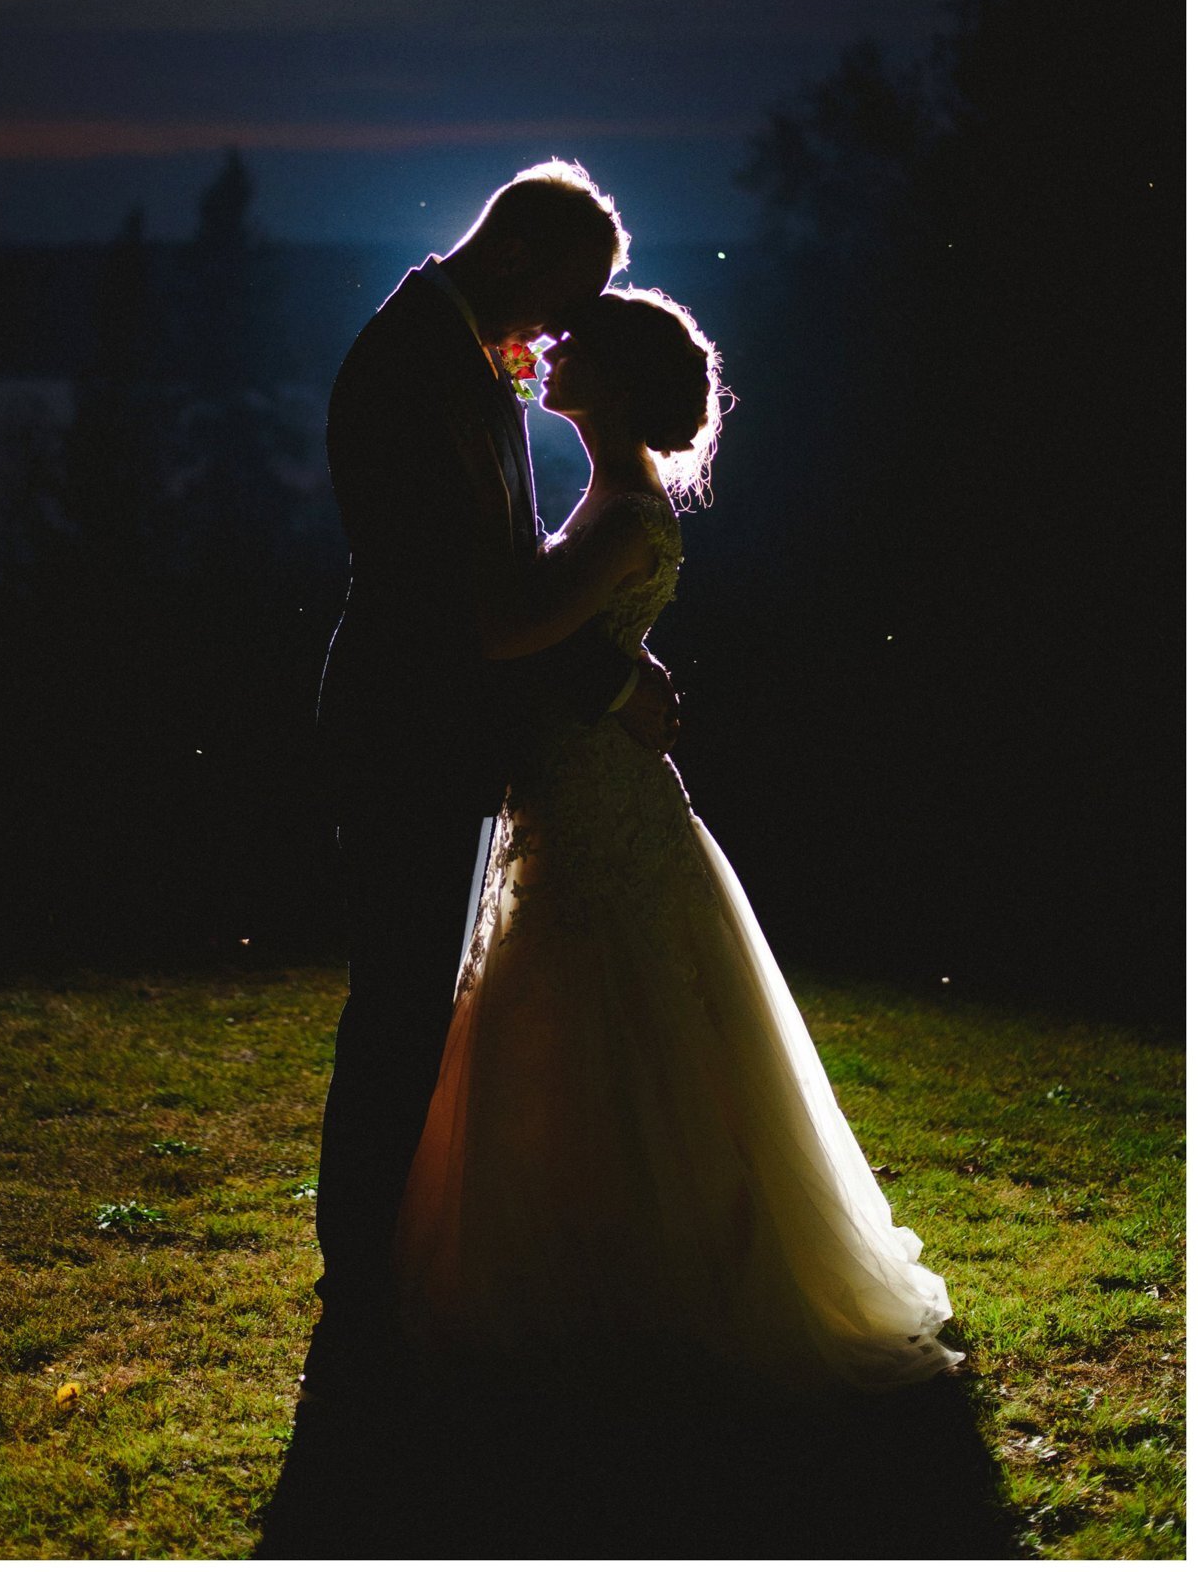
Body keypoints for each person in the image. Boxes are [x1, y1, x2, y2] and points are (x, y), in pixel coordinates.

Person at [393, 287, 963, 1398]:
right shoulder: (618, 501)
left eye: (574, 348)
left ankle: (625, 1278)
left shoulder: (621, 517)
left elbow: (509, 631)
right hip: (591, 782)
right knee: (596, 1017)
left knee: (602, 1014)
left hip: (595, 795)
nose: (551, 356)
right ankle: (602, 1259)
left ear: (610, 381)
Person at [304, 164, 680, 1403]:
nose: (561, 336)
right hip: (407, 723)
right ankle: (360, 1280)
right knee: (401, 999)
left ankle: (394, 1264)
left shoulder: (457, 351)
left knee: (420, 1002)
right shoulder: (415, 365)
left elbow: (513, 572)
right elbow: (467, 597)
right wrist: (614, 683)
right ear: (516, 253)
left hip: (450, 728)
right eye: (568, 299)